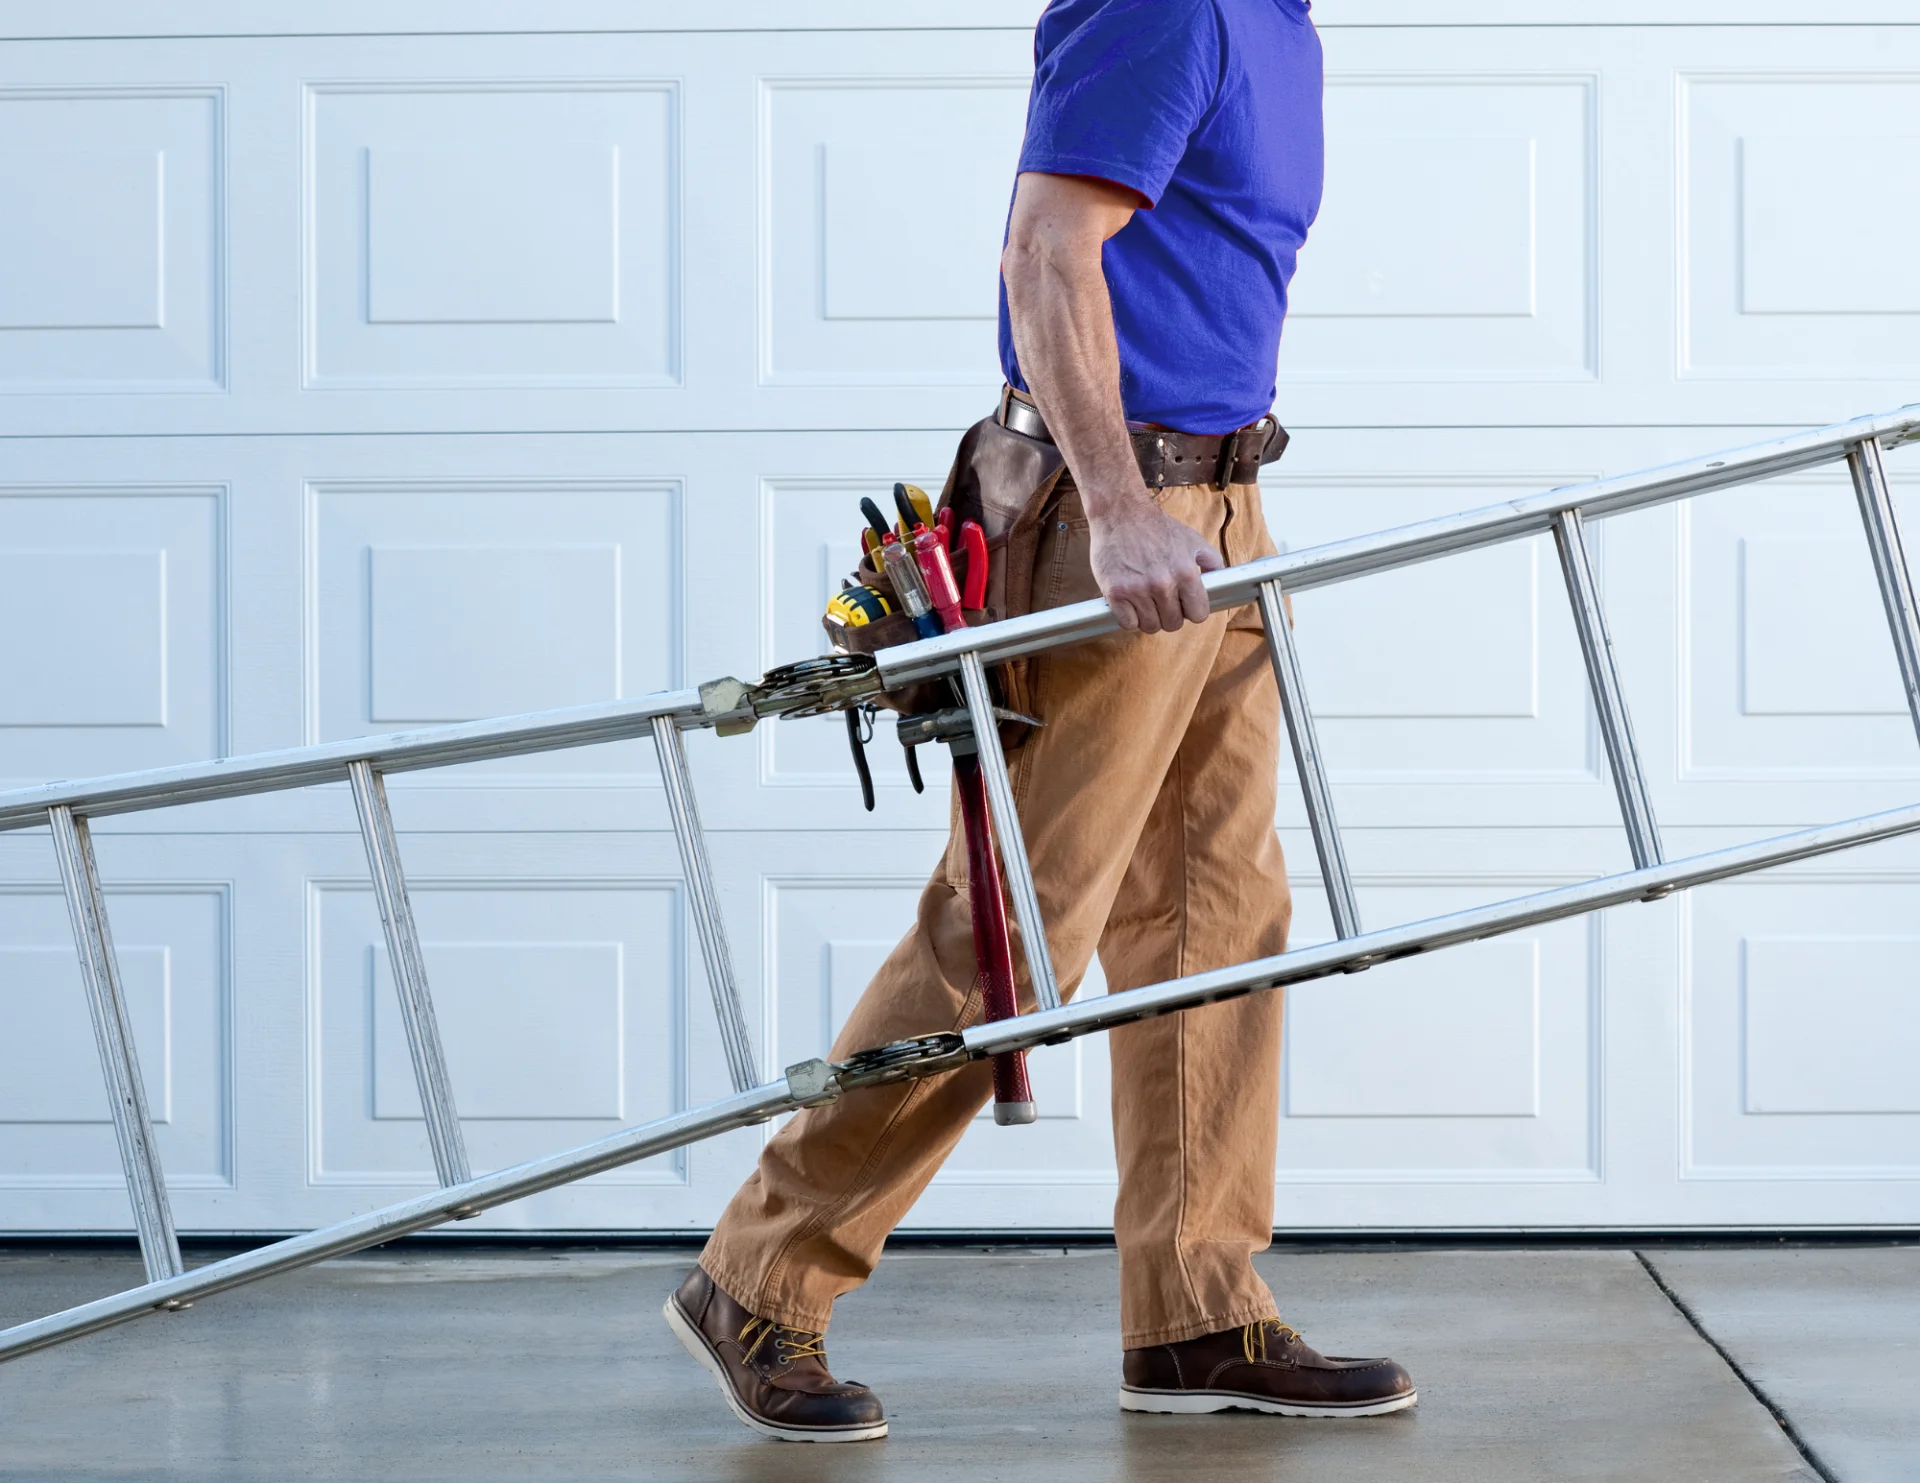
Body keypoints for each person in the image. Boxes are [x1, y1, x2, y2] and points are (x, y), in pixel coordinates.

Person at [664, 0, 1415, 1440]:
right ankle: (759, 1274)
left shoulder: (1282, 24)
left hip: (1225, 508)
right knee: (1012, 927)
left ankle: (1196, 1305)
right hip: (1113, 510)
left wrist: (1202, 513)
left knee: (1215, 912)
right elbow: (1046, 249)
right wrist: (1126, 510)